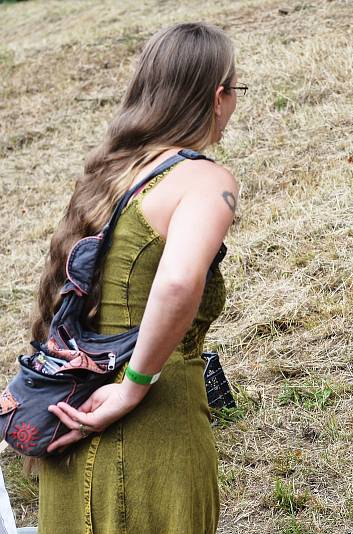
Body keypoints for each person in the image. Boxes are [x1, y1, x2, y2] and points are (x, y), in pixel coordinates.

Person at [31, 22, 243, 533]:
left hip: (74, 423)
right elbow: (176, 284)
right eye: (237, 90)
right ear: (217, 96)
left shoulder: (110, 175)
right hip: (154, 436)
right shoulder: (205, 180)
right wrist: (134, 385)